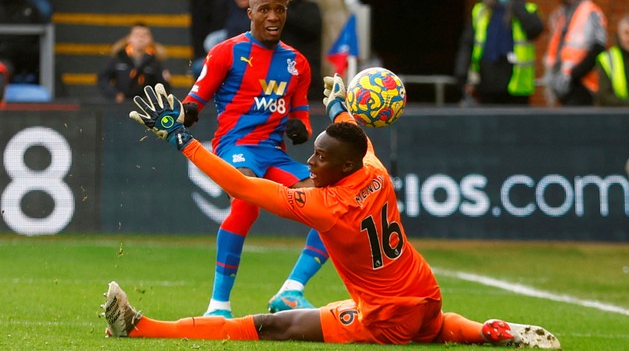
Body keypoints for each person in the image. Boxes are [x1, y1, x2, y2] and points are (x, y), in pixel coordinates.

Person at [107, 78, 562, 349]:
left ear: (342, 165)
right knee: (435, 326)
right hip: (426, 295)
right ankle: (486, 331)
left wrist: (181, 139)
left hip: (384, 317)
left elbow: (239, 185)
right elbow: (357, 139)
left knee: (273, 326)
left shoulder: (324, 206)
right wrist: (339, 107)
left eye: (319, 158)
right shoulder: (374, 172)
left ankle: (142, 327)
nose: (309, 162)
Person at [181, 0, 329, 318]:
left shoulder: (297, 63)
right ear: (249, 12)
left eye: (280, 9)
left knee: (334, 207)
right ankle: (218, 306)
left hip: (274, 155)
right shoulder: (226, 53)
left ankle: (292, 290)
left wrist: (300, 128)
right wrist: (182, 115)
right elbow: (194, 101)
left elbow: (302, 118)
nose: (273, 16)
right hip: (236, 149)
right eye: (264, 9)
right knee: (246, 200)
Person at [455, 0, 544, 105]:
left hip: (517, 83)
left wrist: (517, 6)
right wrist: (462, 72)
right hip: (487, 80)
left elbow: (535, 30)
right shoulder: (481, 12)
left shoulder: (527, 9)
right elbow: (467, 43)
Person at [543, 0, 607, 106]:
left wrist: (574, 75)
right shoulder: (563, 15)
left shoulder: (591, 12)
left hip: (584, 83)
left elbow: (598, 46)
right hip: (564, 83)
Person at [190, 0, 253, 78]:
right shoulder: (224, 4)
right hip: (229, 58)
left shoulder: (265, 8)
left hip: (256, 59)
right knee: (200, 67)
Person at [98, 23, 171, 103]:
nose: (140, 38)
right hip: (121, 104)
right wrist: (114, 94)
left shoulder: (156, 61)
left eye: (144, 35)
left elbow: (163, 85)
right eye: (137, 35)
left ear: (150, 39)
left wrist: (152, 100)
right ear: (129, 38)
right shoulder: (119, 58)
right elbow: (103, 78)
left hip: (146, 106)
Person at [0, 0, 44, 85]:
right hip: (1, 60)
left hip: (23, 59)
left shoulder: (30, 8)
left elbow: (37, 41)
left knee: (50, 65)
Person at [280, 0, 322, 100]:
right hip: (277, 78)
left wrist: (282, 9)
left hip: (306, 79)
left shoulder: (308, 9)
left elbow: (310, 27)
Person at [596, 13, 629, 108]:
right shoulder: (607, 59)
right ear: (619, 35)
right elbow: (603, 97)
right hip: (618, 117)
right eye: (627, 33)